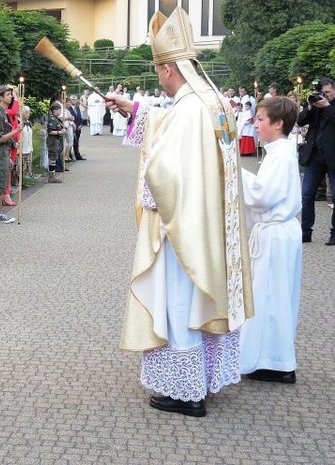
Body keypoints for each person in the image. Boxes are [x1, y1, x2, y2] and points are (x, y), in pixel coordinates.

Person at [108, 7, 253, 417]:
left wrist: (148, 196)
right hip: (210, 228)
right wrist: (136, 112)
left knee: (179, 302)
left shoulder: (189, 109)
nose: (159, 78)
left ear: (169, 69)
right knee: (198, 304)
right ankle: (203, 379)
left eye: (158, 71)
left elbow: (164, 171)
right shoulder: (213, 101)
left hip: (182, 230)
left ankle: (187, 394)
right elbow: (171, 127)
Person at [239, 96, 302, 383]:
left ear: (278, 124)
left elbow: (263, 196)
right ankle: (271, 358)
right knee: (271, 295)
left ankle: (276, 362)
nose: (256, 123)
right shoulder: (277, 153)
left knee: (270, 296)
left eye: (261, 119)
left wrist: (234, 170)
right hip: (278, 232)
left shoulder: (281, 156)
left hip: (276, 233)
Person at [297, 78, 335, 245]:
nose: (324, 96)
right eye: (322, 93)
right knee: (306, 195)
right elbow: (300, 120)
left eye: (327, 93)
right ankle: (305, 232)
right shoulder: (316, 105)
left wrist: (327, 106)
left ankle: (334, 233)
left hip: (333, 156)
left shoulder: (328, 107)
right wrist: (311, 106)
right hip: (314, 156)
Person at [0, 85, 23, 222]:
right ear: (0, 97)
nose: (11, 96)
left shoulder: (3, 113)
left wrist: (8, 155)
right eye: (8, 94)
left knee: (2, 183)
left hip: (4, 151)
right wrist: (16, 131)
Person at [45, 102, 65, 184]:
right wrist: (60, 132)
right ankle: (51, 176)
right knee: (52, 158)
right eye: (59, 110)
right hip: (52, 141)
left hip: (56, 140)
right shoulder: (52, 119)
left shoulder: (57, 119)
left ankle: (52, 175)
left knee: (54, 157)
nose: (60, 111)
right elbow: (50, 131)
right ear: (54, 110)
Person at [67, 95, 85, 160]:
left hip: (78, 128)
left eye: (75, 99)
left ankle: (77, 155)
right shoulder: (68, 108)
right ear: (70, 100)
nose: (74, 101)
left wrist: (81, 124)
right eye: (72, 99)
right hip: (71, 127)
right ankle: (69, 155)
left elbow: (79, 116)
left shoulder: (77, 107)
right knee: (71, 142)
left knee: (76, 142)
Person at [20, 105, 34, 177]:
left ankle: (26, 179)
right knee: (21, 167)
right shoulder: (19, 123)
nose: (29, 114)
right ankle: (19, 183)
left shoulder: (28, 123)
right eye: (27, 113)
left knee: (27, 166)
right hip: (22, 149)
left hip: (29, 148)